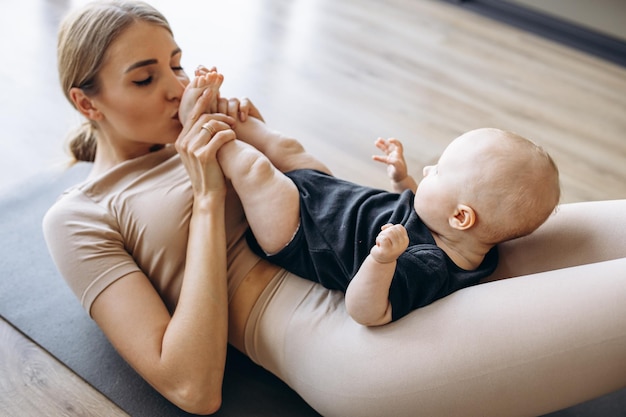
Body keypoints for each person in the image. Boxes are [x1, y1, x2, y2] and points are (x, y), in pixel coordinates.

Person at [43, 1, 626, 416]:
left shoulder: (208, 133)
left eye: (176, 64)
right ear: (86, 102)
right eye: (145, 79)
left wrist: (259, 134)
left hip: (431, 250)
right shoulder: (80, 216)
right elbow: (191, 387)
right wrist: (206, 193)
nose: (175, 88)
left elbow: (325, 198)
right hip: (350, 342)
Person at [182, 70, 561, 326]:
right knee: (286, 146)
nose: (428, 172)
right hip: (329, 197)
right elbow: (425, 210)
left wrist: (381, 259)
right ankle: (228, 113)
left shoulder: (425, 266)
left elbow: (365, 311)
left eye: (439, 171)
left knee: (257, 171)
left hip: (300, 233)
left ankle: (201, 125)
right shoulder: (464, 237)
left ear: (462, 217)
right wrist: (402, 179)